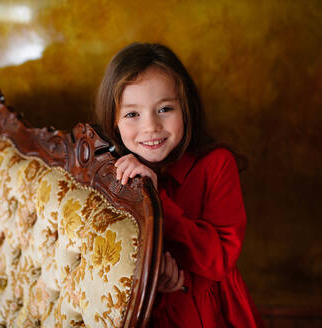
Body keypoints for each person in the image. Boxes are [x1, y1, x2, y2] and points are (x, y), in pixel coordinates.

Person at [94, 42, 264, 328]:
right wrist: (149, 280)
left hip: (208, 315)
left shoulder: (217, 164)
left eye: (165, 109)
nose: (151, 126)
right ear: (115, 121)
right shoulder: (111, 175)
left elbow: (220, 258)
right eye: (132, 114)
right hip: (148, 313)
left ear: (185, 109)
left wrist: (154, 197)